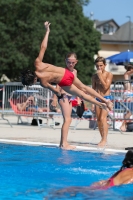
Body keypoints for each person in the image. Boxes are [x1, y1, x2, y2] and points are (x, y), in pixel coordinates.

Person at [21, 21, 113, 117]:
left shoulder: (43, 83)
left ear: (33, 80)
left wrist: (59, 96)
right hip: (66, 73)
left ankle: (101, 105)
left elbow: (56, 91)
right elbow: (43, 47)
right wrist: (47, 31)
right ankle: (106, 100)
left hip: (64, 82)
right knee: (84, 87)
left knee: (82, 95)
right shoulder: (37, 63)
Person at [51, 150, 133, 197]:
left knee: (71, 190)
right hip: (104, 193)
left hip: (100, 187)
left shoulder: (122, 170)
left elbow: (108, 181)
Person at [57, 52, 82, 150]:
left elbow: (75, 85)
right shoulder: (63, 71)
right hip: (64, 96)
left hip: (70, 97)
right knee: (68, 120)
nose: (70, 64)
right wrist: (55, 99)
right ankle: (64, 144)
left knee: (67, 120)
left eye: (72, 62)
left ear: (76, 62)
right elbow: (58, 84)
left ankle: (62, 143)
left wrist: (78, 98)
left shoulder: (75, 72)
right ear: (65, 61)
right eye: (68, 62)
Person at [91, 57, 113, 147]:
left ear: (105, 65)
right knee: (99, 120)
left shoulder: (109, 74)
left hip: (106, 99)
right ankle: (102, 138)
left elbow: (105, 87)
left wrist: (100, 76)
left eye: (101, 65)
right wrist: (92, 102)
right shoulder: (94, 76)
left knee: (103, 118)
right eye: (97, 66)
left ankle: (104, 139)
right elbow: (93, 89)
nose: (99, 68)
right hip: (97, 99)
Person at [120, 63, 133, 132]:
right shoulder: (126, 75)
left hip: (129, 96)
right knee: (130, 111)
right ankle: (123, 124)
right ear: (131, 70)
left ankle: (125, 125)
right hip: (128, 96)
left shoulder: (128, 76)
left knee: (129, 112)